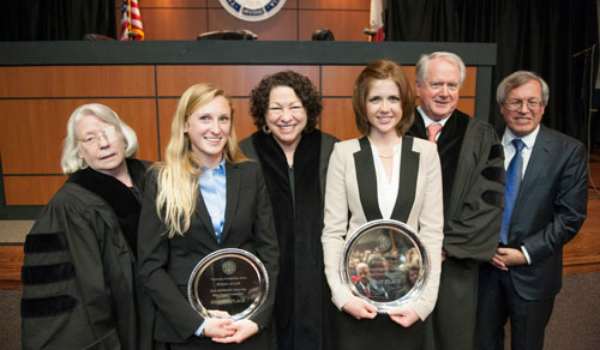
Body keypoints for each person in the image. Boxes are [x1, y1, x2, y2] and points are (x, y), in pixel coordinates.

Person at [137, 83, 279, 350]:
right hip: (187, 330)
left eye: (223, 119)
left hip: (245, 326)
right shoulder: (161, 180)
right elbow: (150, 267)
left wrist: (258, 318)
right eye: (205, 118)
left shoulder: (251, 174)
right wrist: (198, 323)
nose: (216, 129)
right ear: (185, 124)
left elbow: (269, 252)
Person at [322, 59, 444, 350]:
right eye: (375, 99)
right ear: (362, 104)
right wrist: (342, 296)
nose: (385, 108)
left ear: (404, 103)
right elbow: (332, 232)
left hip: (410, 299)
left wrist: (423, 304)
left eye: (393, 98)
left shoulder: (426, 153)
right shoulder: (344, 153)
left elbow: (432, 233)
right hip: (358, 295)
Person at [20, 103, 151, 349]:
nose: (103, 143)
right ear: (79, 151)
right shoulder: (70, 207)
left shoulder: (155, 177)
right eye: (89, 138)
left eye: (109, 132)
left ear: (122, 135)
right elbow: (84, 291)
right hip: (121, 326)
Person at [476, 71, 588, 350]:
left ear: (543, 107)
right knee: (481, 342)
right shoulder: (481, 146)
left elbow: (570, 216)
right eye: (515, 102)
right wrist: (483, 245)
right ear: (502, 106)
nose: (524, 109)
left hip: (534, 272)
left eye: (532, 102)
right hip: (483, 268)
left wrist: (524, 253)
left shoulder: (568, 151)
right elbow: (468, 203)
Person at [405, 51, 506, 350]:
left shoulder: (480, 135)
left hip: (455, 263)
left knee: (452, 337)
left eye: (452, 85)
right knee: (402, 336)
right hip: (401, 261)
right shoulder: (395, 129)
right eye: (436, 84)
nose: (444, 93)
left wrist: (444, 248)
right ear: (418, 86)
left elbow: (487, 202)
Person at [239, 70, 338, 350]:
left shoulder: (332, 150)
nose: (286, 117)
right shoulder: (244, 153)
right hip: (266, 274)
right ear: (263, 114)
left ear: (308, 110)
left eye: (295, 107)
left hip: (320, 276)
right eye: (276, 108)